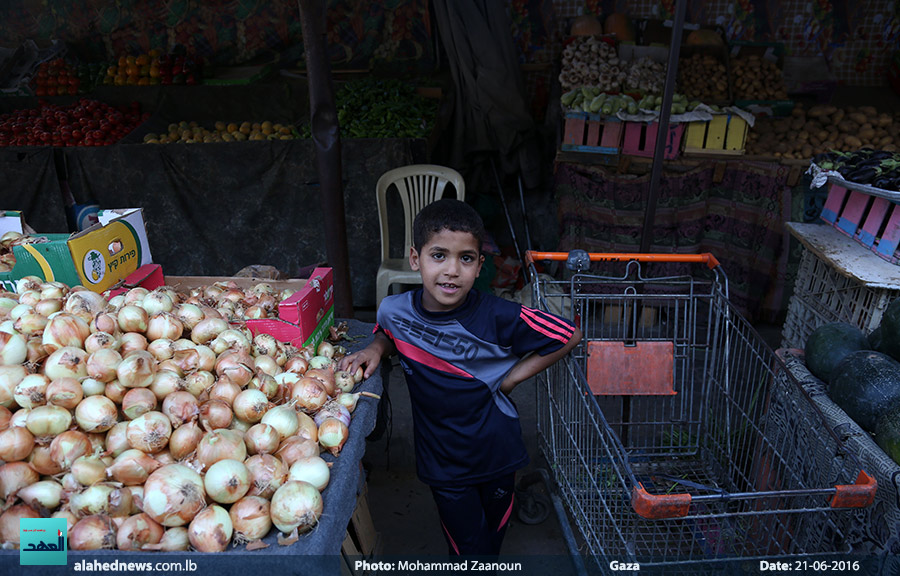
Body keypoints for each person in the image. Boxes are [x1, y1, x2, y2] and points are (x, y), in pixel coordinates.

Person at [339, 198, 582, 557]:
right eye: (439, 255)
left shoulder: (499, 315)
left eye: (465, 258)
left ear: (479, 265)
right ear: (414, 259)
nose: (452, 270)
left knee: (493, 537)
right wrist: (377, 347)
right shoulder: (394, 310)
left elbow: (567, 335)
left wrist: (513, 377)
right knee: (467, 547)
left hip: (498, 452)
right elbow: (388, 333)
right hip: (443, 461)